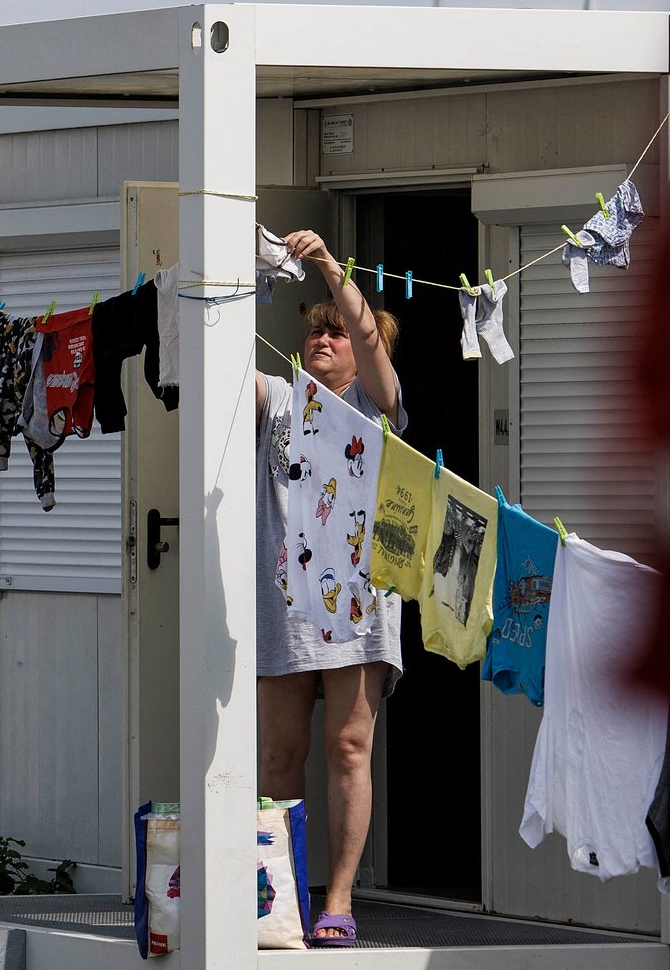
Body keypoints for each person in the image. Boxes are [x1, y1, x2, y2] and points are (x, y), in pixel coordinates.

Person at [252, 229, 407, 949]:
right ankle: (278, 896)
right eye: (317, 331)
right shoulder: (278, 399)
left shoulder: (378, 409)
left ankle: (339, 900)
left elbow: (375, 341)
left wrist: (325, 269)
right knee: (280, 758)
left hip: (358, 601)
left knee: (348, 746)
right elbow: (218, 362)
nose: (325, 340)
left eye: (336, 335)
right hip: (284, 602)